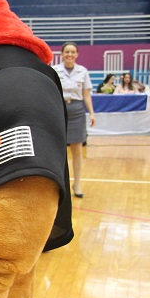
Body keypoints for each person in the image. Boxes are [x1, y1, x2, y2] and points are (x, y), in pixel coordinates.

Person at [52, 42, 95, 198]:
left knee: (77, 151)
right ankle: (59, 184)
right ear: (62, 54)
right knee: (59, 151)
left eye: (72, 52)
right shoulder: (54, 70)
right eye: (67, 52)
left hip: (77, 111)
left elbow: (86, 95)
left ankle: (77, 184)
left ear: (77, 54)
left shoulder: (83, 71)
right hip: (59, 110)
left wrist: (92, 113)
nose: (69, 55)